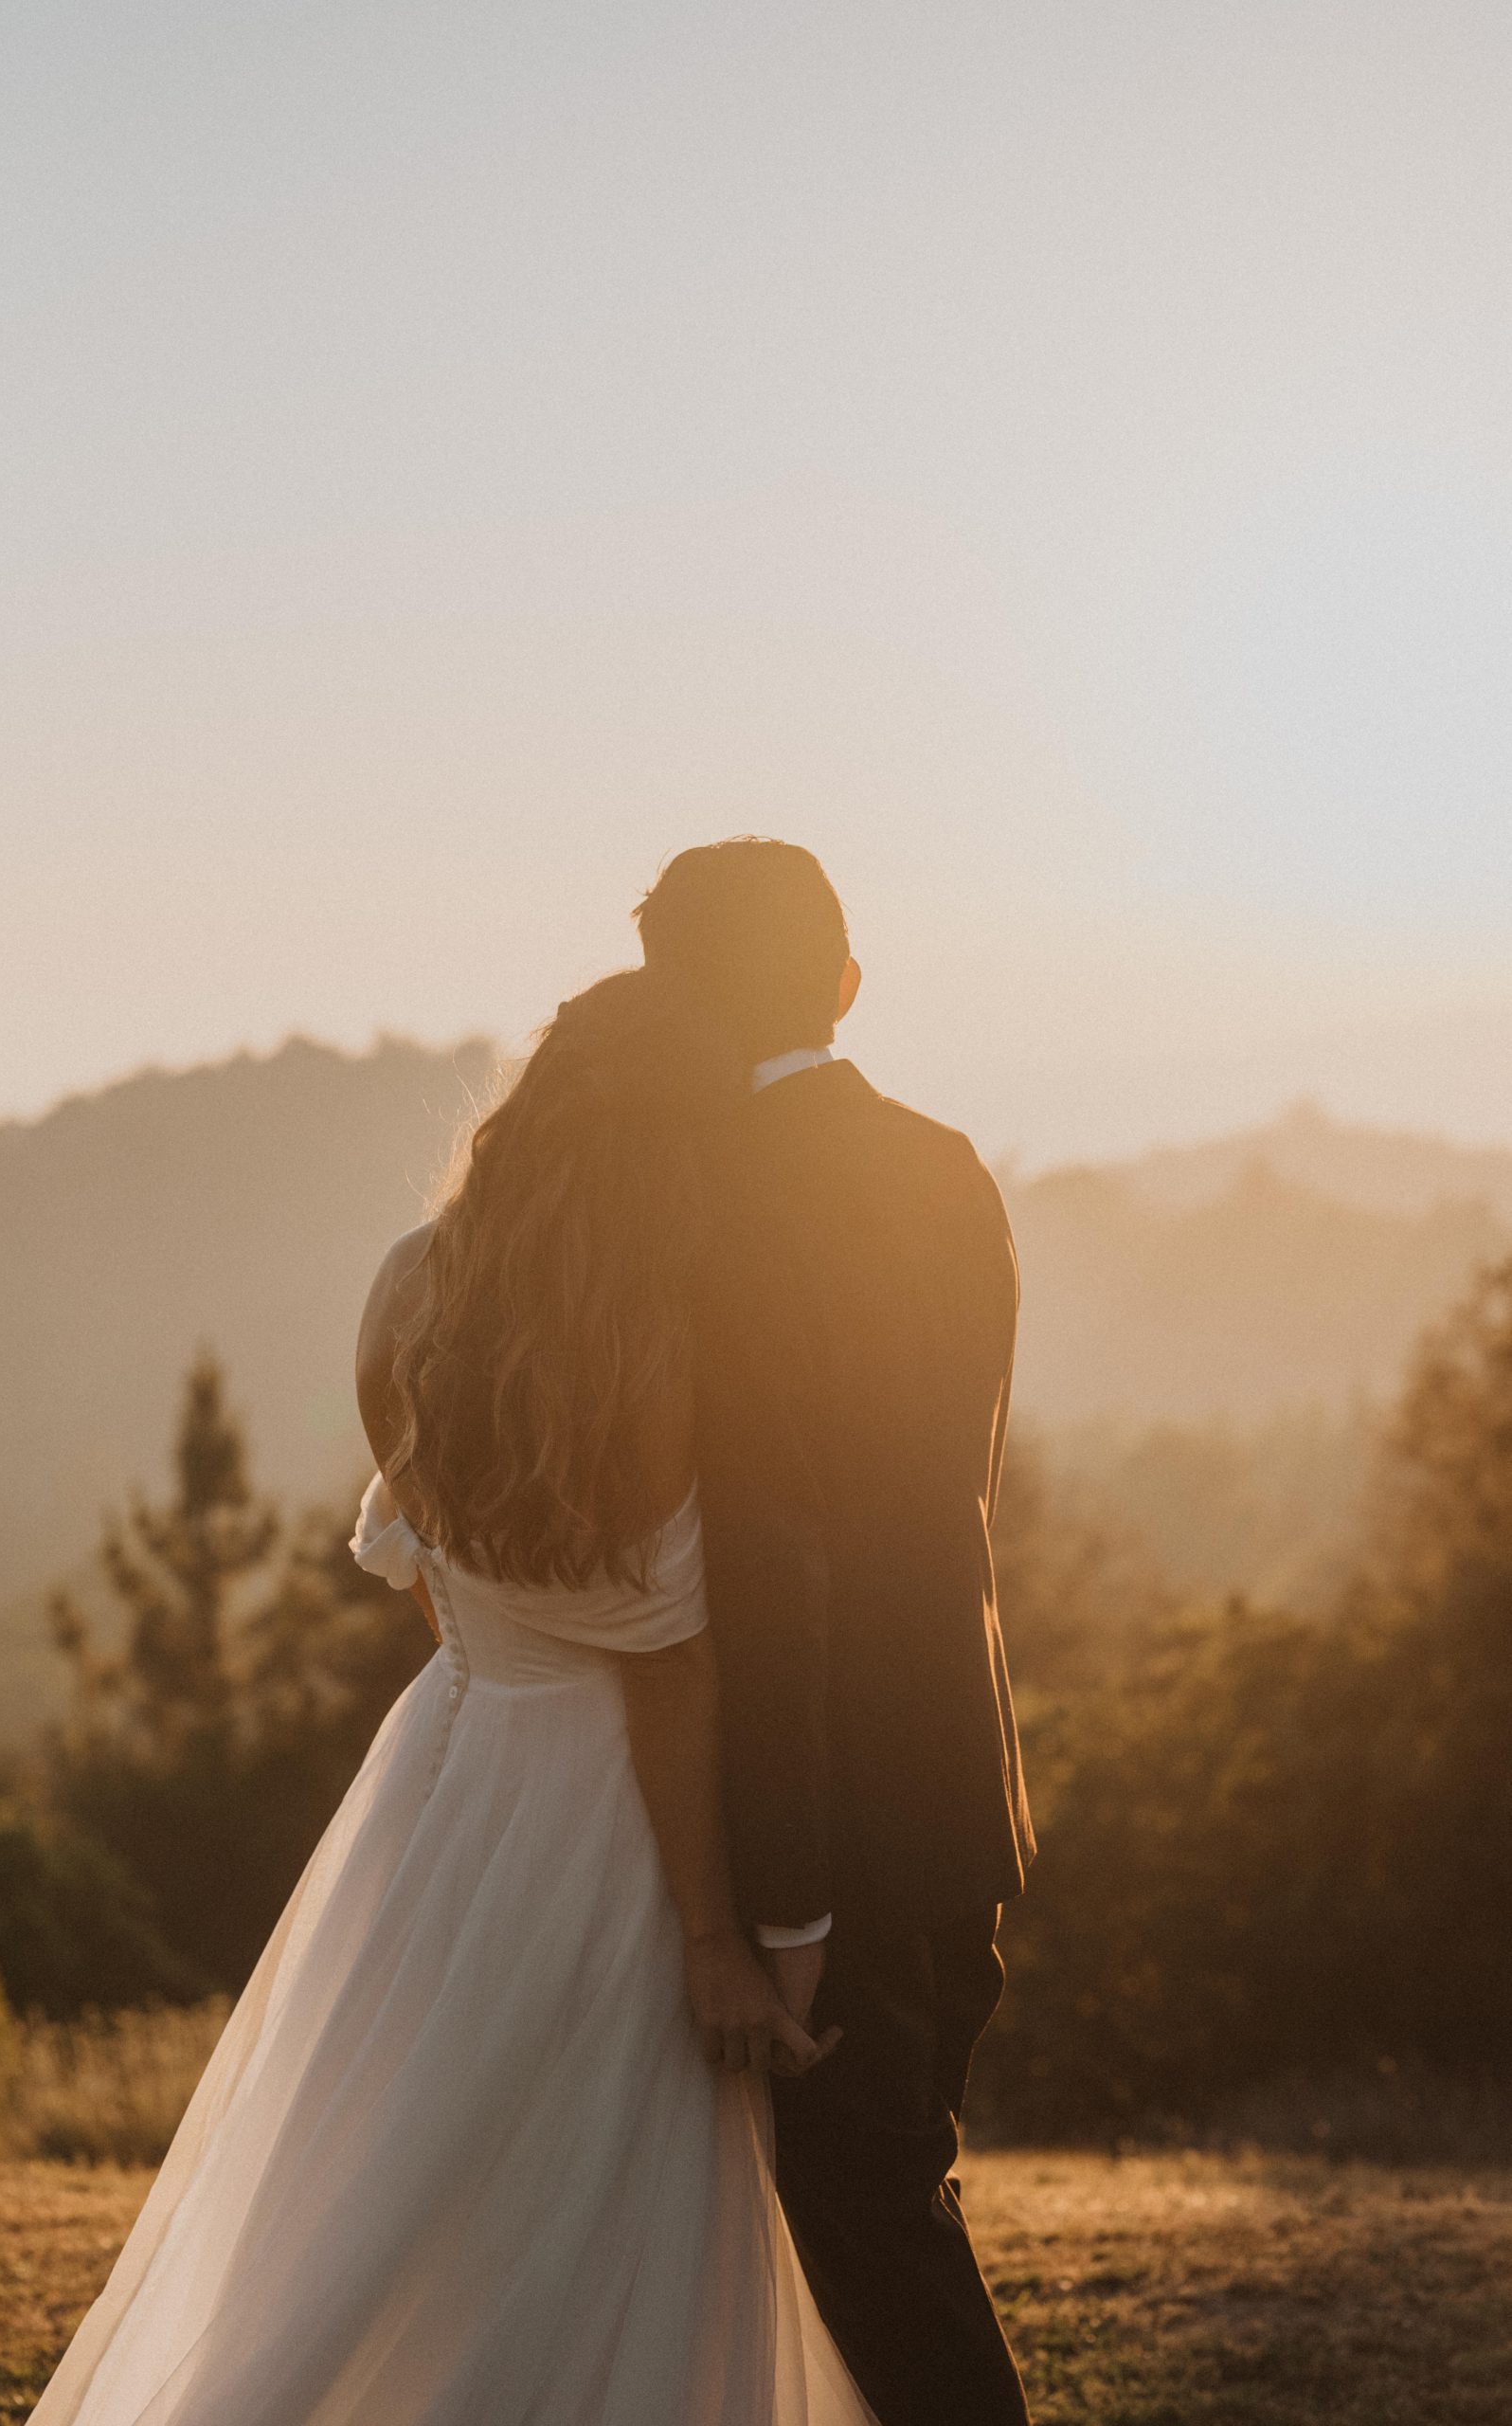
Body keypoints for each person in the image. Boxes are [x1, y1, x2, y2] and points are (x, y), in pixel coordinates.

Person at [27, 960, 874, 2426]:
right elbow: (669, 1669)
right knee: (597, 2187)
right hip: (611, 1817)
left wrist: (500, 1663)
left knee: (405, 2166)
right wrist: (710, 1936)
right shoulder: (654, 1342)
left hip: (445, 1766)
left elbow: (421, 1558)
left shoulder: (410, 1283)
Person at [637, 839, 1034, 2425]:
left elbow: (779, 1558)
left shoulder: (706, 1206)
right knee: (903, 2201)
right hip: (955, 1789)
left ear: (668, 1003)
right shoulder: (950, 1165)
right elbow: (952, 1497)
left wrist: (784, 1902)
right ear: (847, 985)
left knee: (871, 2237)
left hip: (831, 1839)